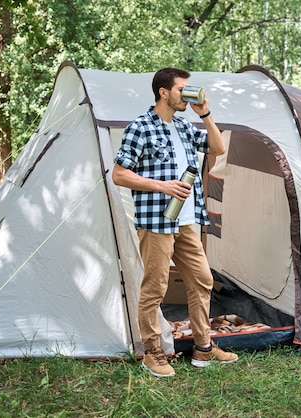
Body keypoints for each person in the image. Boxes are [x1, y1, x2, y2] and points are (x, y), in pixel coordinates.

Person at [112, 68, 238, 378]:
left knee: (202, 279)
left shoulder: (183, 126)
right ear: (164, 92)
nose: (188, 93)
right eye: (182, 89)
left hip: (184, 221)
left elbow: (218, 148)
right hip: (156, 222)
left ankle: (203, 348)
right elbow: (118, 174)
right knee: (155, 287)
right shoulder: (140, 127)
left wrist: (205, 113)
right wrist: (163, 186)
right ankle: (153, 352)